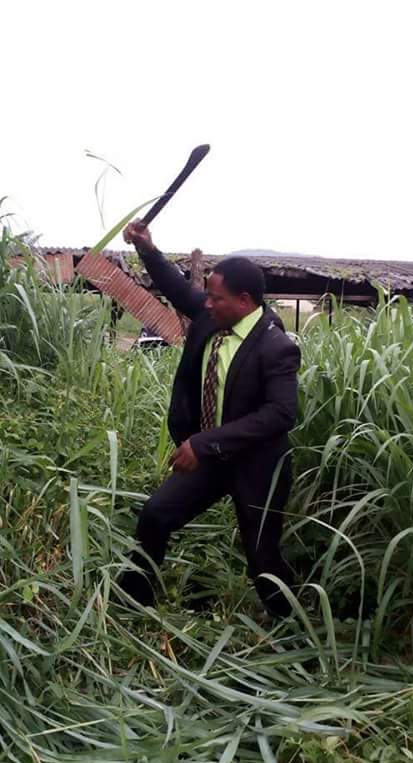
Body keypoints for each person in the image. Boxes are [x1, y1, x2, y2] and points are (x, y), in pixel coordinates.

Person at [120, 220, 301, 617]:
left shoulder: (275, 347)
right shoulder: (212, 318)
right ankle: (132, 603)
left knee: (262, 556)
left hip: (256, 465)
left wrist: (202, 442)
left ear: (244, 301)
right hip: (211, 459)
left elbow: (280, 414)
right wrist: (147, 249)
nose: (206, 303)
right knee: (155, 515)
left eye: (216, 298)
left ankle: (289, 623)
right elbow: (176, 287)